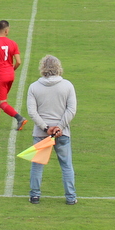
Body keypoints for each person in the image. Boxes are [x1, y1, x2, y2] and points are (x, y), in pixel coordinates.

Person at [26, 55, 77, 205]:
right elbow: (71, 109)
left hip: (41, 134)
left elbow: (32, 112)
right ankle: (71, 197)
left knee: (37, 165)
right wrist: (60, 127)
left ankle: (35, 195)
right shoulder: (67, 86)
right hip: (62, 133)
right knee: (66, 165)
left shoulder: (34, 87)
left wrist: (46, 128)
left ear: (43, 68)